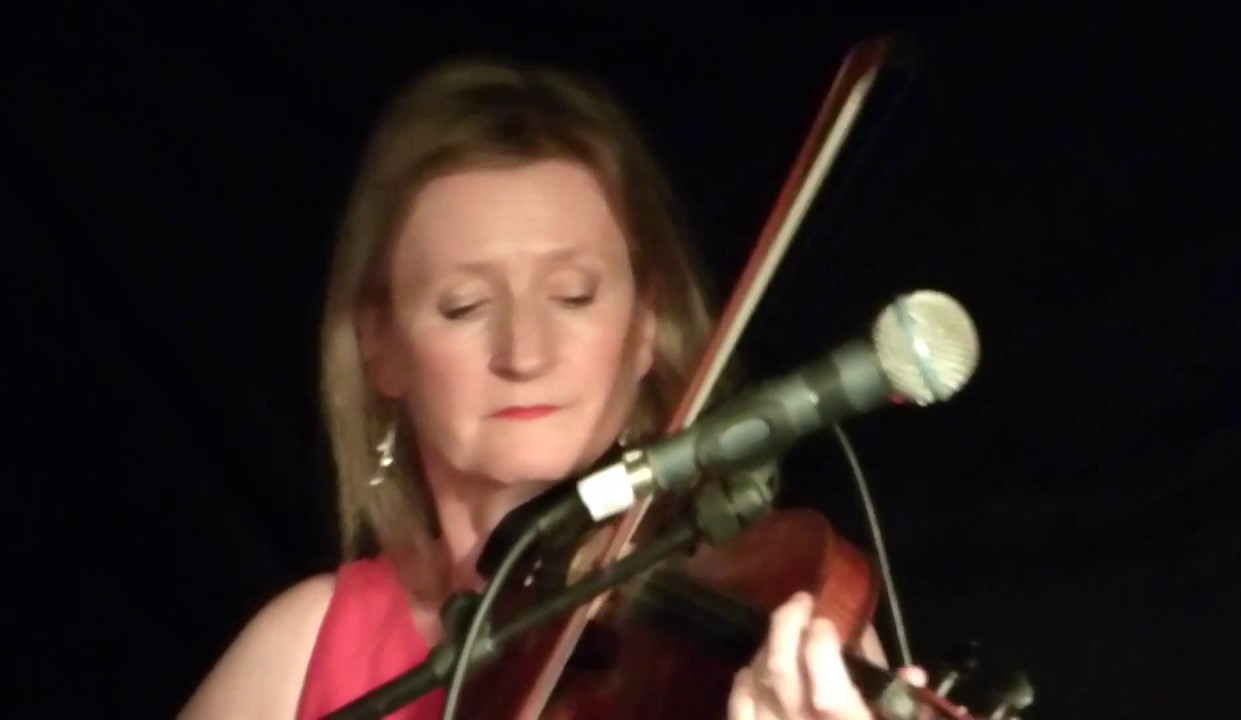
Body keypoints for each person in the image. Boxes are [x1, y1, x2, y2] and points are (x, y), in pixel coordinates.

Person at [179, 56, 920, 720]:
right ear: (381, 348)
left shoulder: (781, 630)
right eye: (464, 306)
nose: (525, 353)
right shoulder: (301, 653)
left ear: (644, 325)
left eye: (572, 295)